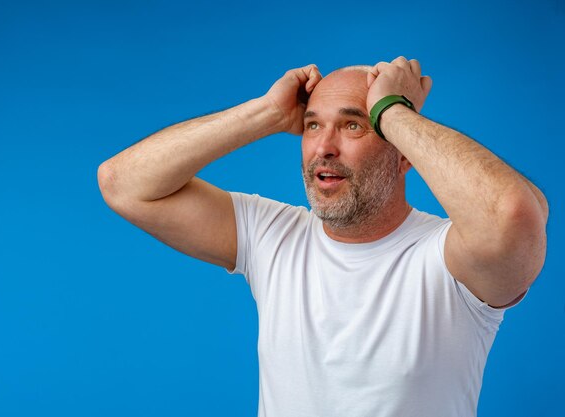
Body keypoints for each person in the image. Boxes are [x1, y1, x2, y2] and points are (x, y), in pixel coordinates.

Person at [97, 56, 548, 417]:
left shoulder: (449, 258)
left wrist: (393, 111)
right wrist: (268, 113)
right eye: (313, 125)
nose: (324, 147)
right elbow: (123, 183)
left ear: (404, 153)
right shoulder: (272, 235)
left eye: (354, 125)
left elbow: (514, 216)